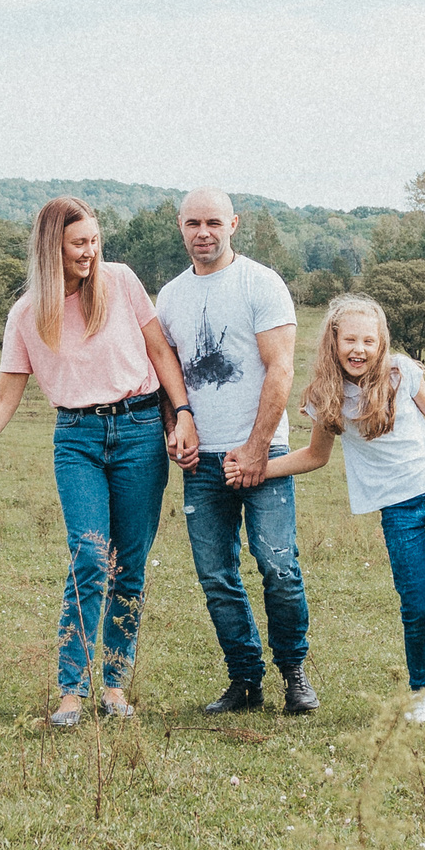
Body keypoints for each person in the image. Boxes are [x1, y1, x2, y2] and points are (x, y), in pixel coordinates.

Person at [0, 196, 197, 727]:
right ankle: (71, 690)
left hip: (141, 430)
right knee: (91, 558)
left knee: (131, 567)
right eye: (80, 243)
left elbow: (161, 352)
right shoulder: (27, 313)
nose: (91, 252)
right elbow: (4, 397)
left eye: (95, 241)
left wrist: (181, 414)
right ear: (53, 246)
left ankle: (115, 686)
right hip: (76, 438)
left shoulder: (120, 282)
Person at [266, 295, 425, 726]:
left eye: (369, 340)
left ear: (381, 343)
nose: (359, 349)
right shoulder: (326, 396)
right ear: (334, 340)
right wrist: (259, 468)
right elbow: (314, 455)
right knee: (416, 604)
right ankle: (423, 691)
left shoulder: (401, 372)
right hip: (397, 510)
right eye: (350, 340)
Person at [155, 188, 314, 715]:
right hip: (202, 463)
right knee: (217, 576)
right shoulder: (170, 296)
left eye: (214, 222)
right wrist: (176, 428)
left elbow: (282, 369)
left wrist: (255, 450)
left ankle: (294, 672)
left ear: (234, 224)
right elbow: (168, 374)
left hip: (263, 454)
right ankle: (245, 679)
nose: (204, 232)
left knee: (278, 567)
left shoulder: (261, 283)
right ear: (180, 226)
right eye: (194, 222)